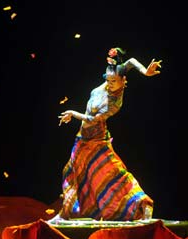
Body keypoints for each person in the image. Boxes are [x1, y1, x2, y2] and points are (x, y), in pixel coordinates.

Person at [49, 47, 162, 223]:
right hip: (82, 138)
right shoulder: (114, 76)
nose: (109, 83)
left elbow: (93, 119)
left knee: (113, 173)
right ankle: (65, 214)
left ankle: (141, 203)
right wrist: (144, 71)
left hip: (96, 140)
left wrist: (73, 112)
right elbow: (130, 62)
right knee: (73, 172)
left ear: (123, 81)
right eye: (107, 79)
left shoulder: (115, 103)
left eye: (114, 81)